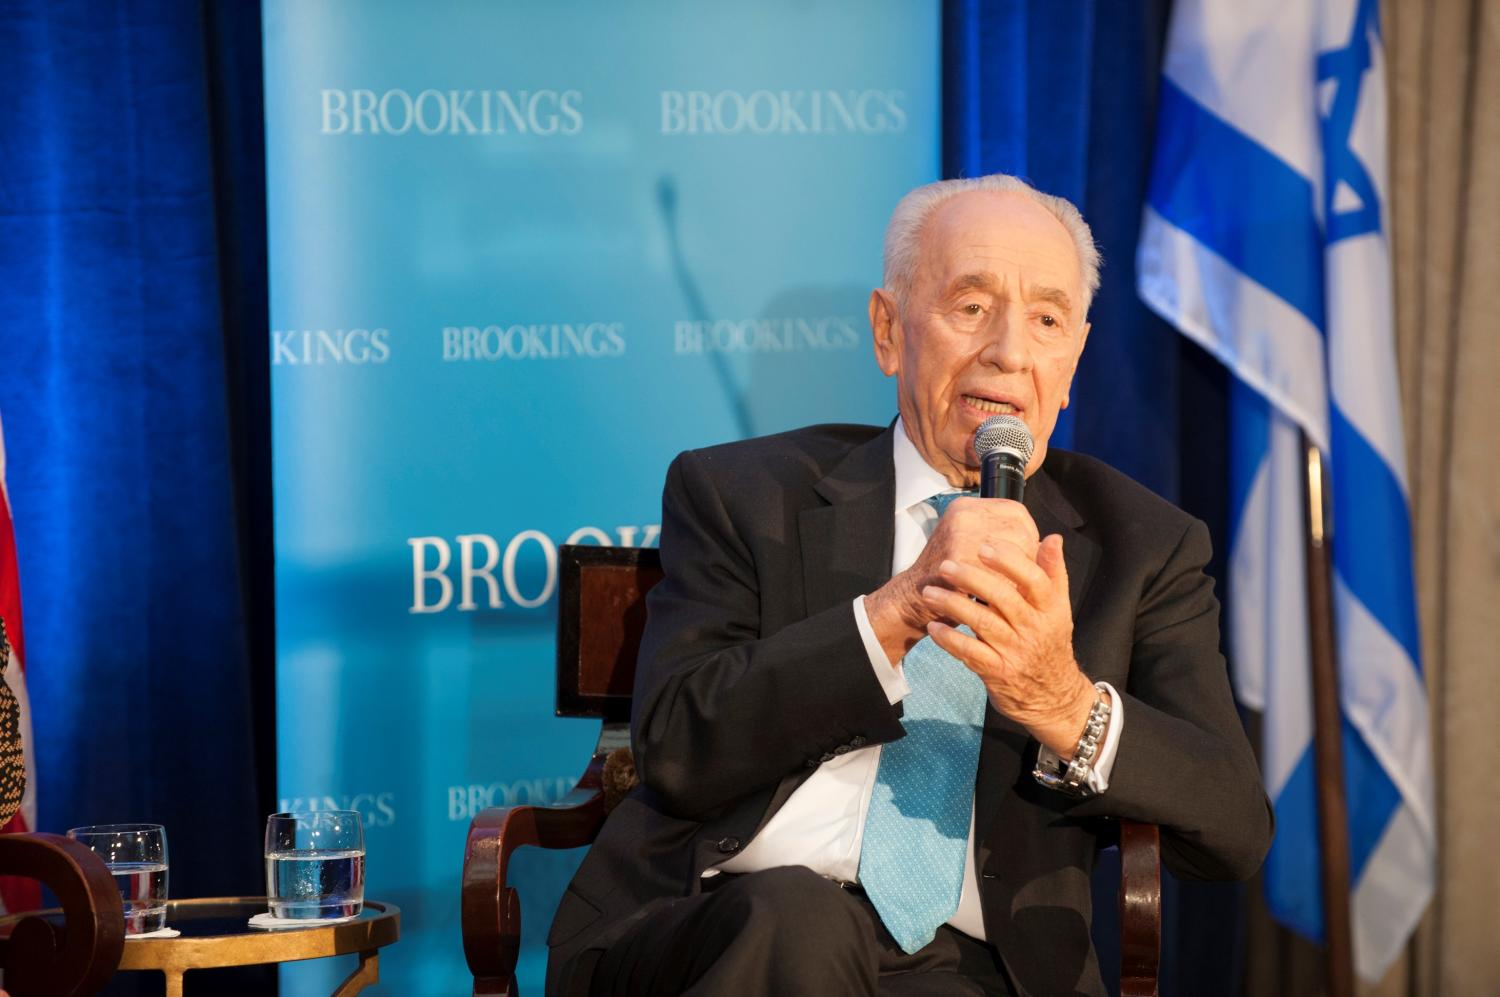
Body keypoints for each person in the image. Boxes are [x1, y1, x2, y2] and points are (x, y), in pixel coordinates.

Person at [546, 174, 1273, 996]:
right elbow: (677, 749)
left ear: (1071, 365)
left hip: (971, 964)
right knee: (800, 917)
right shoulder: (746, 495)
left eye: (1045, 319)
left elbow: (1234, 825)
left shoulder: (1143, 547)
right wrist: (894, 612)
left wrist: (1066, 704)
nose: (1007, 349)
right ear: (889, 332)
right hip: (716, 925)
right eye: (971, 306)